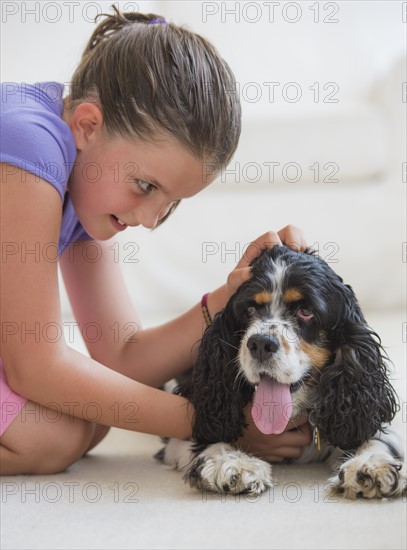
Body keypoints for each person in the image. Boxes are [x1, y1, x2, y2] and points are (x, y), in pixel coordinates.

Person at [0, 8, 311, 475]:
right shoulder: (30, 145)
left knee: (92, 413)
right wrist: (213, 422)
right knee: (51, 435)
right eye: (146, 186)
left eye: (169, 202)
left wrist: (231, 297)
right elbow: (37, 367)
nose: (148, 219)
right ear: (88, 125)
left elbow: (120, 358)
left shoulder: (86, 182)